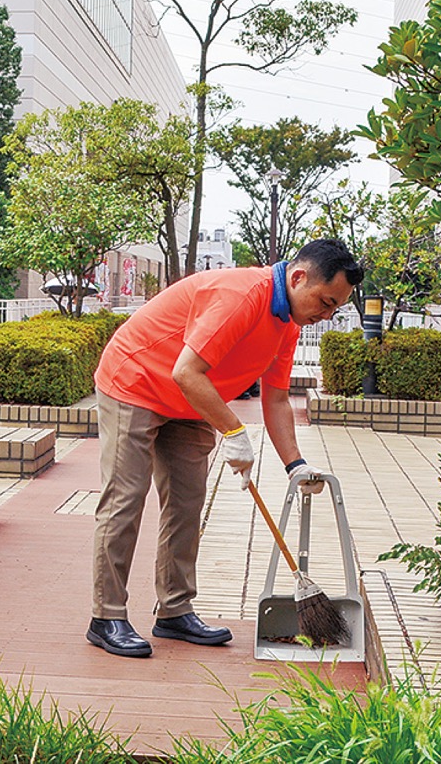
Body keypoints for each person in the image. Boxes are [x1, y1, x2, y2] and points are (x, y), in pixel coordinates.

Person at [87, 239, 363, 658]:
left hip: (189, 398)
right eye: (325, 302)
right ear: (298, 277)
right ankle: (106, 617)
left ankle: (174, 611)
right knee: (125, 498)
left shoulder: (288, 322)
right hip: (137, 381)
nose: (325, 315)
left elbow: (275, 399)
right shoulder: (241, 296)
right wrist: (234, 433)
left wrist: (296, 465)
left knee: (186, 502)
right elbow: (186, 370)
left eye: (334, 310)